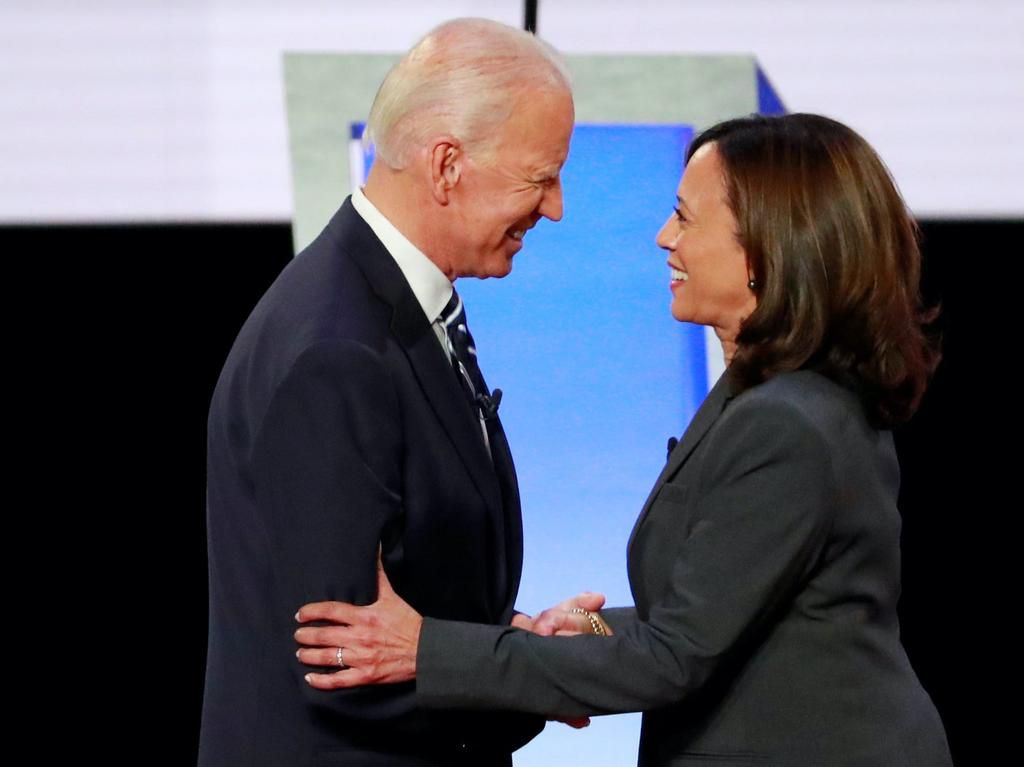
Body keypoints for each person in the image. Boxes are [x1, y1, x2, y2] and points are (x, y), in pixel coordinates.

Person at [294, 113, 954, 766]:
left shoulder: (786, 423)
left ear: (768, 247)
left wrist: (424, 649)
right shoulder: (773, 396)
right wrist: (594, 629)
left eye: (687, 218)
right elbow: (725, 613)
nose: (666, 237)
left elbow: (676, 656)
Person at [199, 18, 582, 766]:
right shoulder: (338, 349)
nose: (556, 206)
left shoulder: (392, 307)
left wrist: (509, 644)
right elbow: (345, 667)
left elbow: (421, 599)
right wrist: (531, 675)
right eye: (541, 177)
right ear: (447, 166)